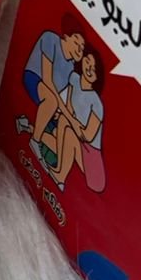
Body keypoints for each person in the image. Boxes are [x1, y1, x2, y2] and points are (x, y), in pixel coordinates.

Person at [18, 14, 86, 152]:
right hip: (34, 78)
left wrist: (62, 113)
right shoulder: (51, 39)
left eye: (82, 47)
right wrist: (69, 117)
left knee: (62, 140)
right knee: (52, 102)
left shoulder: (71, 67)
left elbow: (61, 93)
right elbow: (47, 80)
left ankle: (26, 126)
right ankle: (35, 141)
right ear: (66, 37)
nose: (79, 50)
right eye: (76, 43)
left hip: (51, 96)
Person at [49, 45, 107, 192]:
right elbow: (68, 108)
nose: (89, 69)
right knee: (62, 123)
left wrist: (69, 117)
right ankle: (59, 166)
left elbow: (87, 136)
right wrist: (65, 114)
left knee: (69, 132)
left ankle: (60, 177)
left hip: (92, 159)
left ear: (97, 76)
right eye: (87, 61)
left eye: (94, 69)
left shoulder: (96, 103)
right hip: (76, 138)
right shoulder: (74, 78)